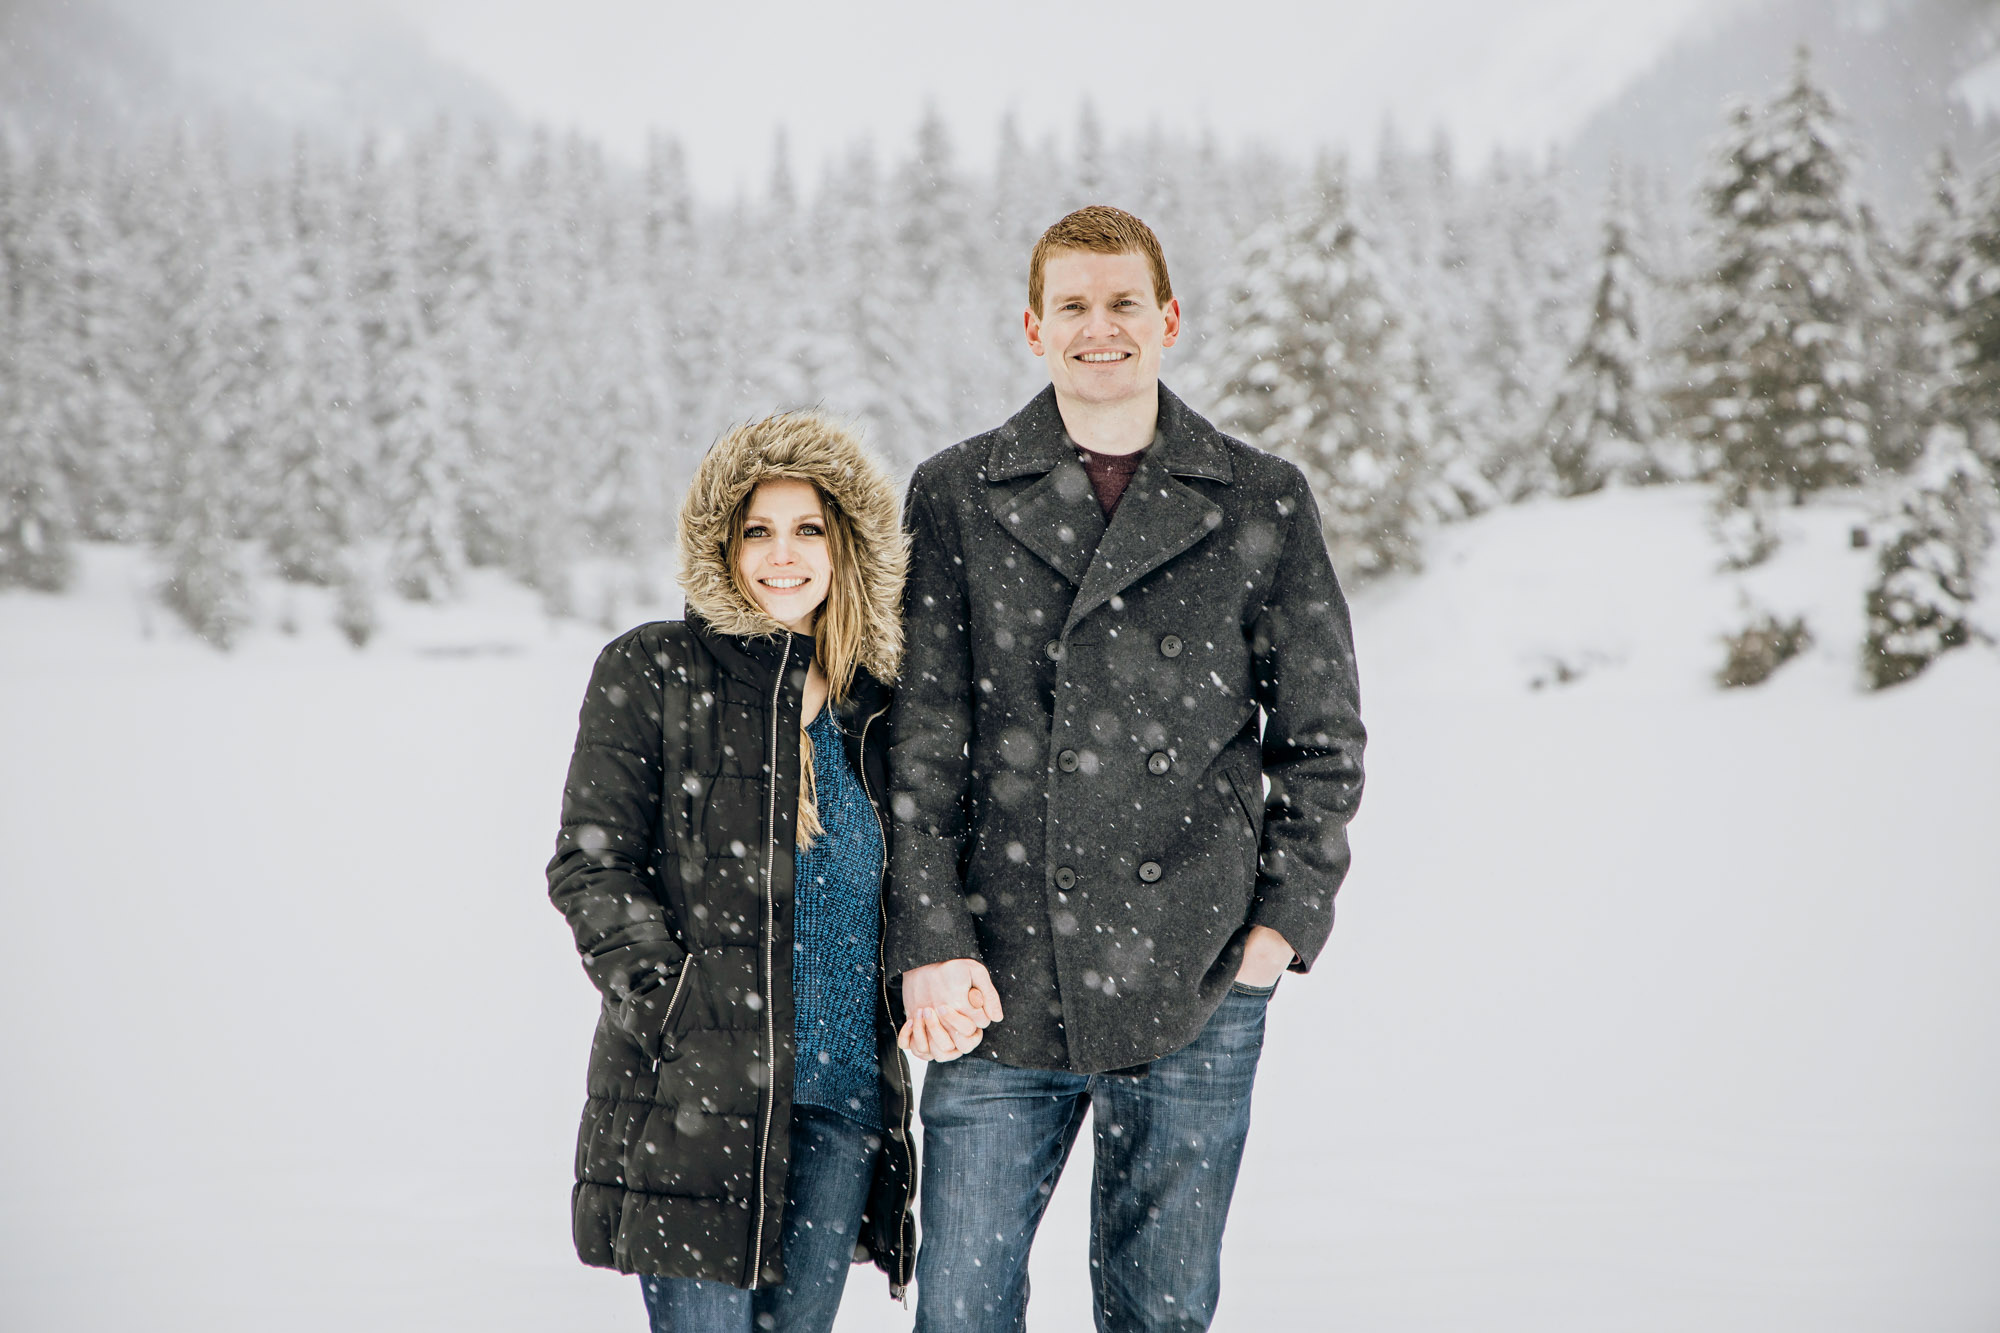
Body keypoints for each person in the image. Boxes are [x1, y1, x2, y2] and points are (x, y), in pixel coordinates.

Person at [885, 205, 1367, 1332]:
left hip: (1194, 972)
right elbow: (922, 744)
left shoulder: (1260, 496)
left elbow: (1321, 737)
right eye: (1072, 306)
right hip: (996, 981)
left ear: (1168, 320)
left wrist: (1277, 928)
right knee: (958, 1309)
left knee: (1160, 1312)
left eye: (1120, 304)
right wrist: (931, 941)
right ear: (1031, 327)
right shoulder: (957, 494)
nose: (1097, 328)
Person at [547, 413, 914, 1333]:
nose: (781, 555)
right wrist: (668, 1005)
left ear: (847, 547)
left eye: (807, 530)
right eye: (757, 530)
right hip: (699, 1098)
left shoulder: (881, 706)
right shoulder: (652, 669)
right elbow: (593, 866)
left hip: (841, 1103)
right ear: (723, 545)